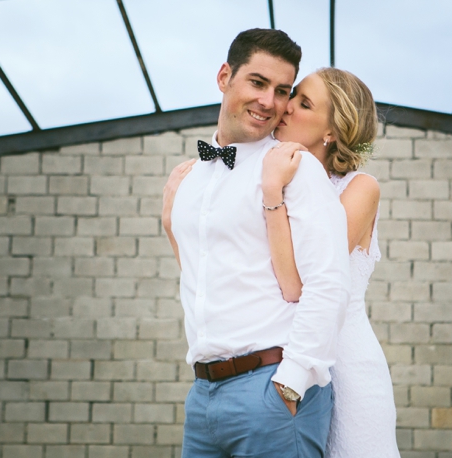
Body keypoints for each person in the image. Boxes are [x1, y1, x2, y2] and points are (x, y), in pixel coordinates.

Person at [165, 66, 401, 458]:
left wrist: (272, 192)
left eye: (303, 103)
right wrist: (172, 222)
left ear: (332, 131)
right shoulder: (280, 173)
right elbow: (213, 273)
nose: (286, 107)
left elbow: (295, 286)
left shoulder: (359, 189)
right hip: (281, 367)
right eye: (294, 96)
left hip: (341, 366)